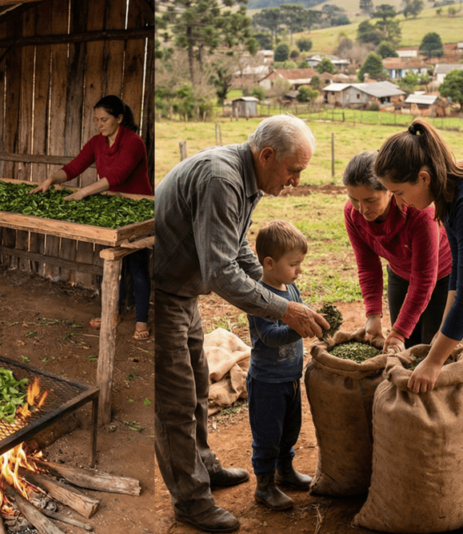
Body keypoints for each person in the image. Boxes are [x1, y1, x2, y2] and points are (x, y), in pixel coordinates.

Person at [154, 114, 328, 533]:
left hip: (182, 288)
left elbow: (238, 253)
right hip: (160, 291)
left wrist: (275, 292)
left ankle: (205, 468)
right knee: (176, 401)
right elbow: (220, 272)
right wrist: (284, 310)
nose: (296, 181)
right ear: (267, 155)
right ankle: (191, 502)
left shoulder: (246, 179)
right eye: (294, 170)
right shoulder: (223, 179)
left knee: (196, 384)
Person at [30, 95, 153, 338]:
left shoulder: (134, 143)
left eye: (104, 119)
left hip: (137, 209)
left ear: (119, 118)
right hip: (111, 209)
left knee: (137, 268)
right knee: (113, 267)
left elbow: (118, 176)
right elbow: (75, 166)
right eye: (97, 120)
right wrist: (52, 179)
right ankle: (112, 313)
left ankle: (141, 322)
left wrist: (84, 192)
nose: (100, 125)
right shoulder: (97, 143)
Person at [373, 119, 463, 394]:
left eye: (399, 193)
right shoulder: (446, 199)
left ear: (424, 177)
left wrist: (434, 361)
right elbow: (458, 267)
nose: (399, 203)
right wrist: (441, 333)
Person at [344, 151, 450, 351]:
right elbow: (368, 266)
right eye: (354, 199)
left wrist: (400, 331)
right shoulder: (352, 213)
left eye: (370, 200)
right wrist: (373, 314)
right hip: (399, 273)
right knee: (403, 345)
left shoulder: (420, 213)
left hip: (441, 276)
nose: (362, 209)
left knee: (430, 346)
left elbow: (424, 277)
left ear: (389, 190)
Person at [245, 221, 314, 511]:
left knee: (289, 430)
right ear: (270, 263)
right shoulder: (259, 296)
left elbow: (301, 314)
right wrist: (300, 328)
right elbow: (270, 337)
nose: (299, 270)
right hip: (267, 382)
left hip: (290, 378)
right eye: (294, 264)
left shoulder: (291, 288)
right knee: (267, 437)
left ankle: (285, 471)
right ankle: (264, 486)